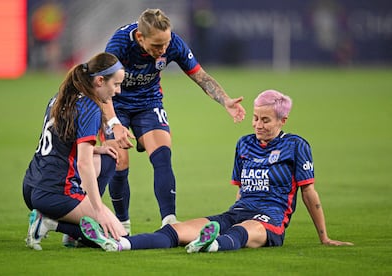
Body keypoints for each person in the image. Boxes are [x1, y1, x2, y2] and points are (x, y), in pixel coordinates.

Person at [79, 89, 354, 252]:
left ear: (283, 120)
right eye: (256, 118)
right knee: (178, 229)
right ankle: (119, 244)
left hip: (270, 220)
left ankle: (212, 244)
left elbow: (309, 194)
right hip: (239, 211)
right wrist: (232, 213)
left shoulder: (296, 146)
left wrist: (324, 237)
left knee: (245, 229)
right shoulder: (244, 144)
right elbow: (240, 192)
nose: (257, 125)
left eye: (266, 120)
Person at [103, 8, 246, 232]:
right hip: (115, 103)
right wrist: (114, 124)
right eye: (157, 45)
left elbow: (200, 75)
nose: (163, 50)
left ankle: (170, 221)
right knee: (118, 161)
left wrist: (225, 100)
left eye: (166, 43)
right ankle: (122, 225)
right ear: (140, 38)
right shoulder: (119, 44)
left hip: (148, 103)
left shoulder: (174, 44)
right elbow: (101, 89)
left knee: (162, 153)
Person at [23, 52, 128, 251]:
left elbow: (60, 143)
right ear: (99, 81)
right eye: (116, 84)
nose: (118, 91)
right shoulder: (90, 107)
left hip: (31, 185)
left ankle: (72, 232)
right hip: (55, 192)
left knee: (107, 159)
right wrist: (99, 211)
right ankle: (49, 223)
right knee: (120, 237)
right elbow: (84, 163)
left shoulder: (62, 96)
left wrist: (98, 149)